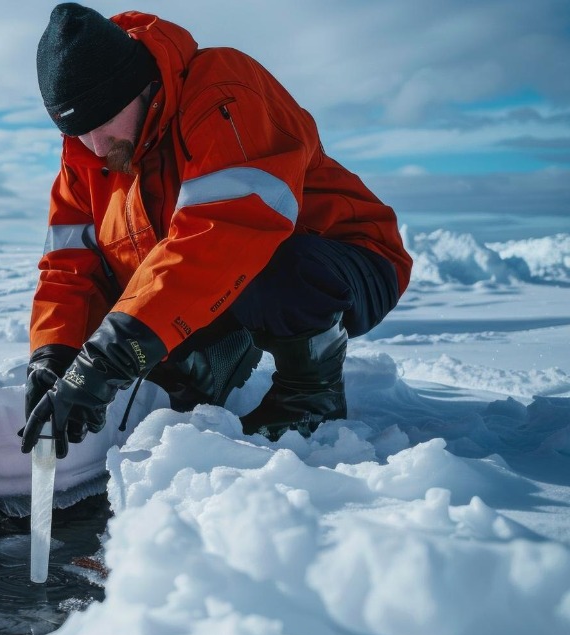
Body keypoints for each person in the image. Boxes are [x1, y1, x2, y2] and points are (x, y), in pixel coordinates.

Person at [20, 4, 412, 458]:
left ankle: (310, 398)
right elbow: (69, 267)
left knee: (273, 266)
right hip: (224, 280)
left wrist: (109, 359)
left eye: (103, 121)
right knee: (135, 317)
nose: (96, 146)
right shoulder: (88, 156)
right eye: (78, 131)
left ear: (140, 86)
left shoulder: (222, 88)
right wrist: (54, 356)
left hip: (342, 262)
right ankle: (212, 359)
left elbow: (227, 230)